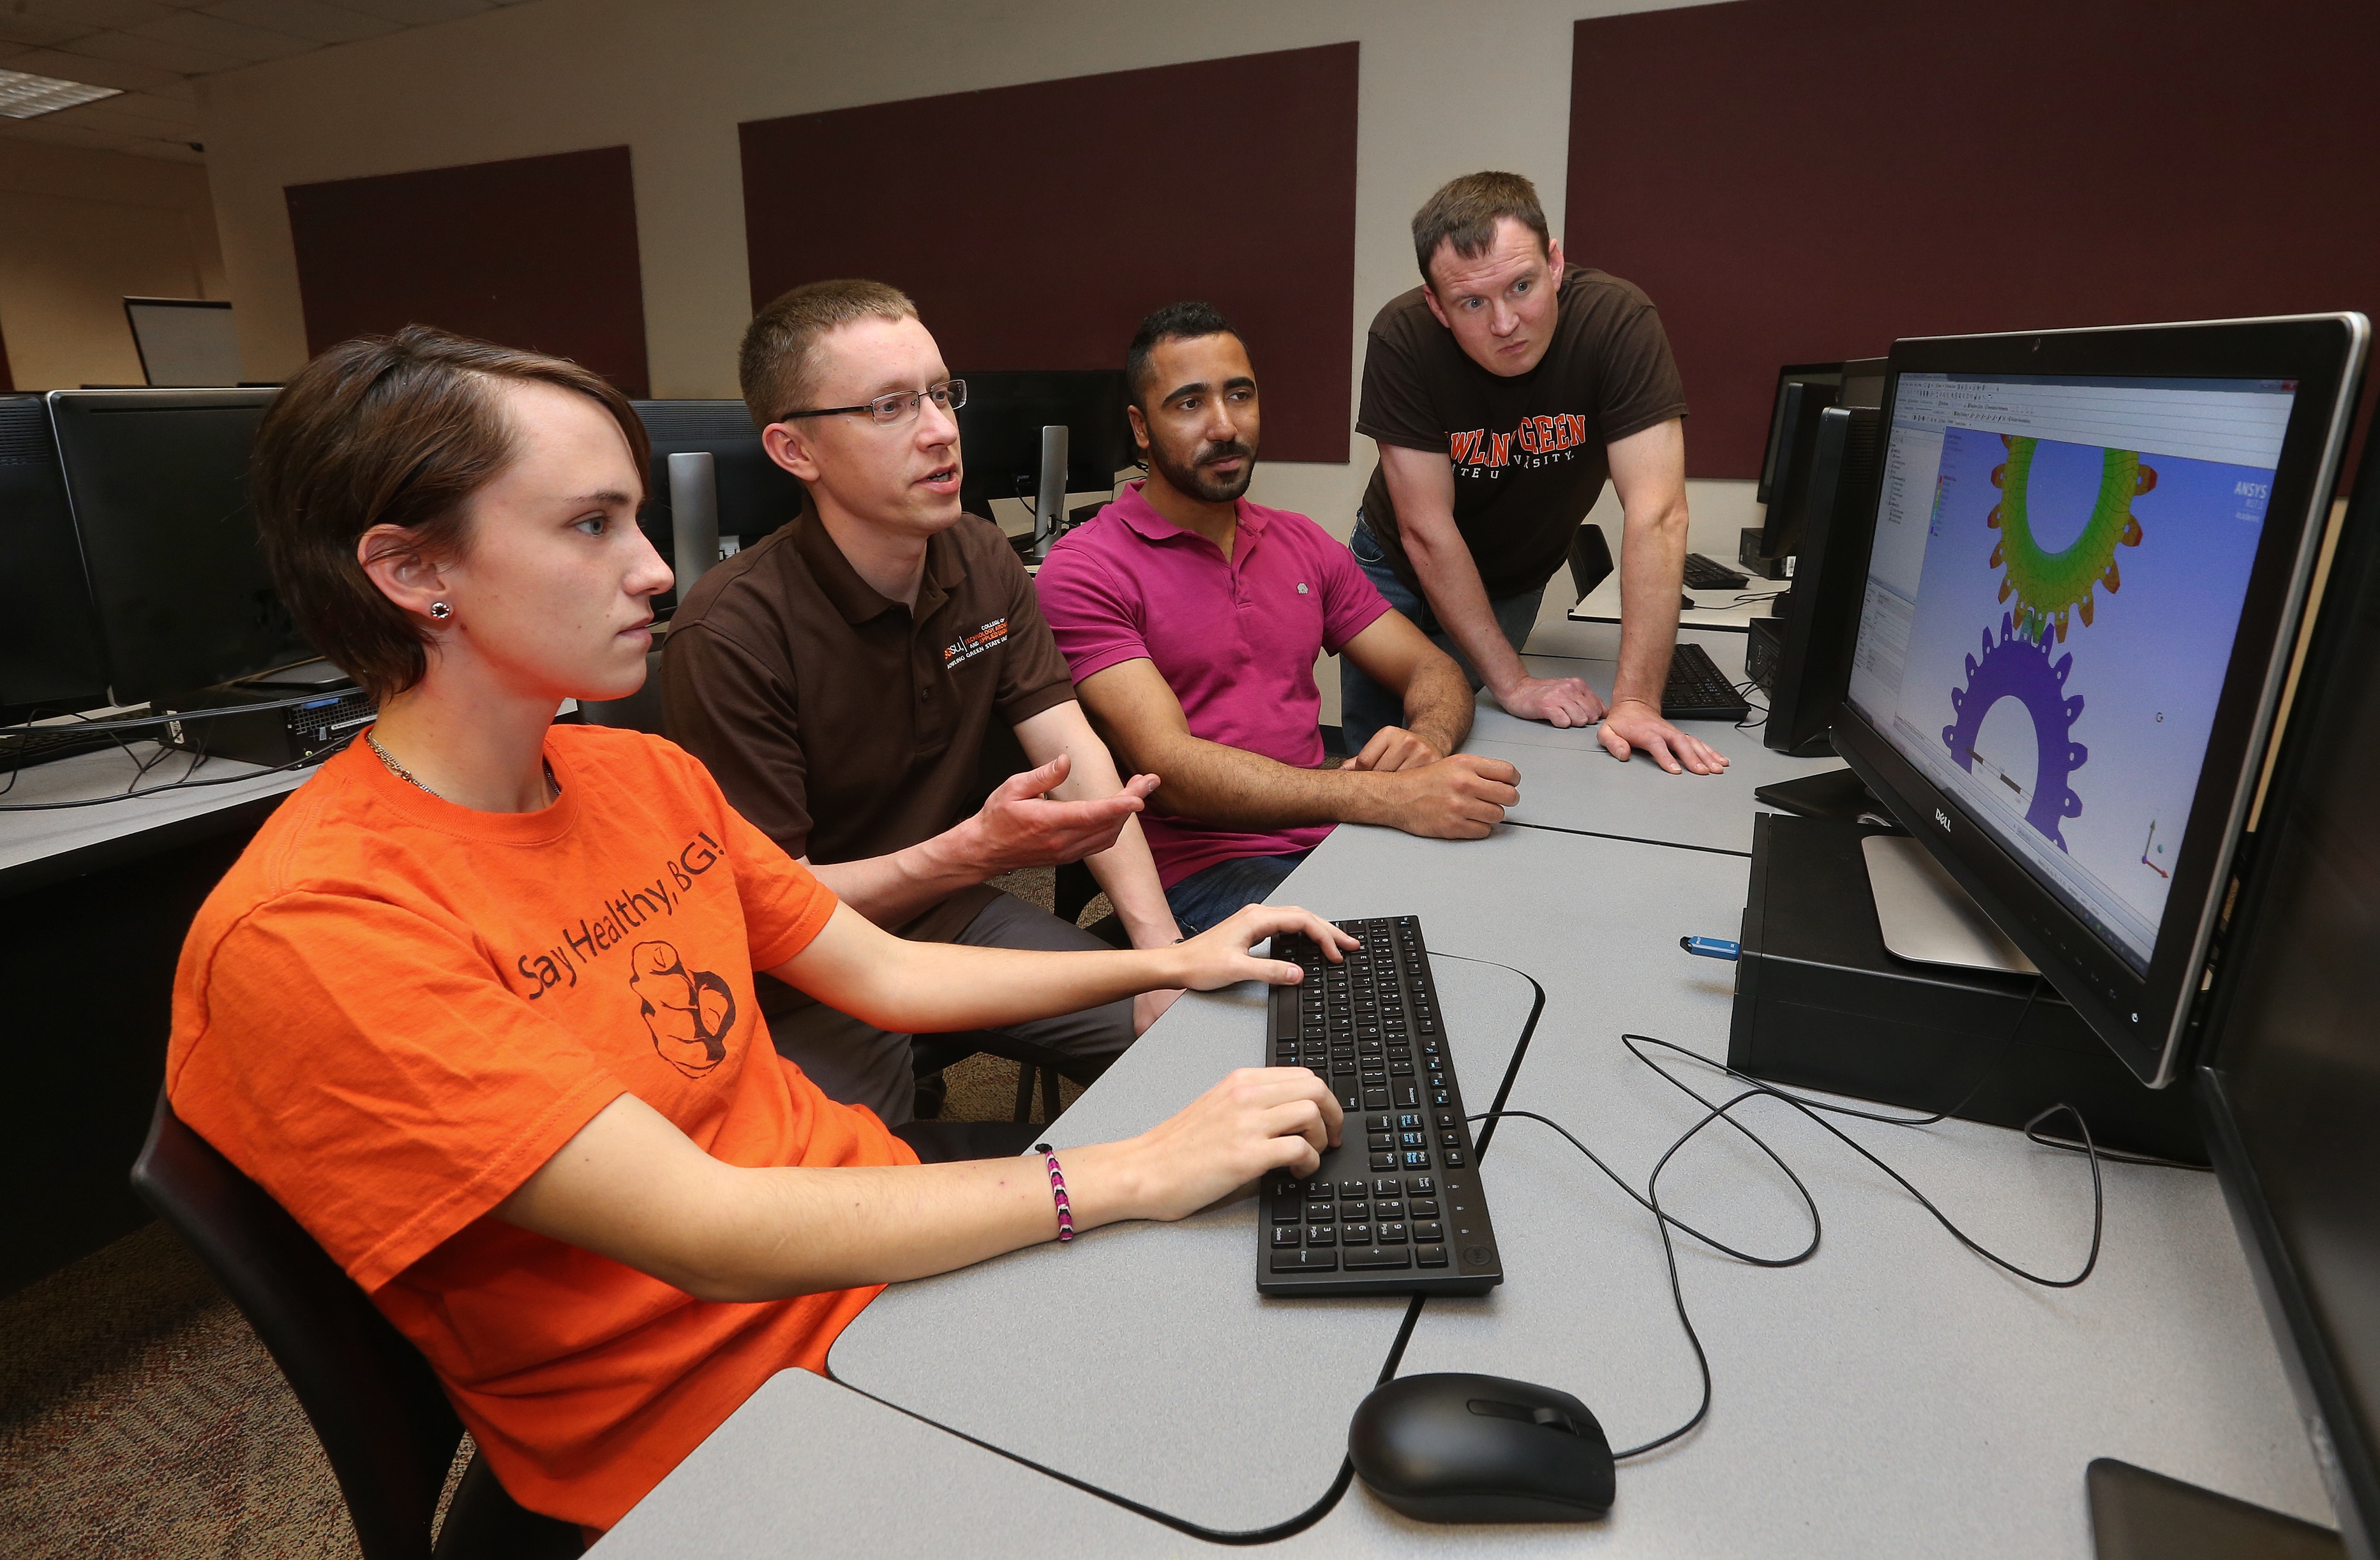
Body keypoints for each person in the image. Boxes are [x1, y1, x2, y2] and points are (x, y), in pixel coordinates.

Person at [168, 327, 1347, 1536]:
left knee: (1290, 1333)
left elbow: (882, 972)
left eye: (634, 520)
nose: (653, 572)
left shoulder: (634, 775)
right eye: (589, 527)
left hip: (867, 1270)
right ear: (415, 574)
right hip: (722, 1421)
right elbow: (708, 1234)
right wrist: (1124, 1171)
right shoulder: (315, 925)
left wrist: (1168, 957)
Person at [661, 279, 1185, 1127]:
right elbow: (773, 904)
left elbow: (1073, 751)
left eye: (942, 393)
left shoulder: (978, 554)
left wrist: (1160, 956)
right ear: (795, 452)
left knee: (1185, 1040)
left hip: (949, 914)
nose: (942, 430)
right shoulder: (727, 635)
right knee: (860, 1202)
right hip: (803, 965)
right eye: (888, 407)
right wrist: (973, 850)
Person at [1036, 302, 1523, 933]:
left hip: (1329, 836)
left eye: (1240, 395)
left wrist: (1426, 742)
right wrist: (1382, 797)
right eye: (1189, 404)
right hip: (1203, 871)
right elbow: (1171, 769)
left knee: (1509, 901)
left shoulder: (1300, 543)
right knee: (1408, 958)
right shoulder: (1085, 569)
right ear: (1141, 427)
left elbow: (1432, 667)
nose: (1224, 425)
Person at [1342, 170, 1730, 776]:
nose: (1505, 324)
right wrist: (1516, 680)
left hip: (1512, 575)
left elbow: (1656, 513)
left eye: (1521, 286)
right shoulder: (1403, 338)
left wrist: (1634, 701)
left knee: (1475, 733)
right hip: (1391, 564)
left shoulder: (1616, 323)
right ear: (1436, 307)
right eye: (1472, 302)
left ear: (1553, 264)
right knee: (1381, 756)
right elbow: (1425, 529)